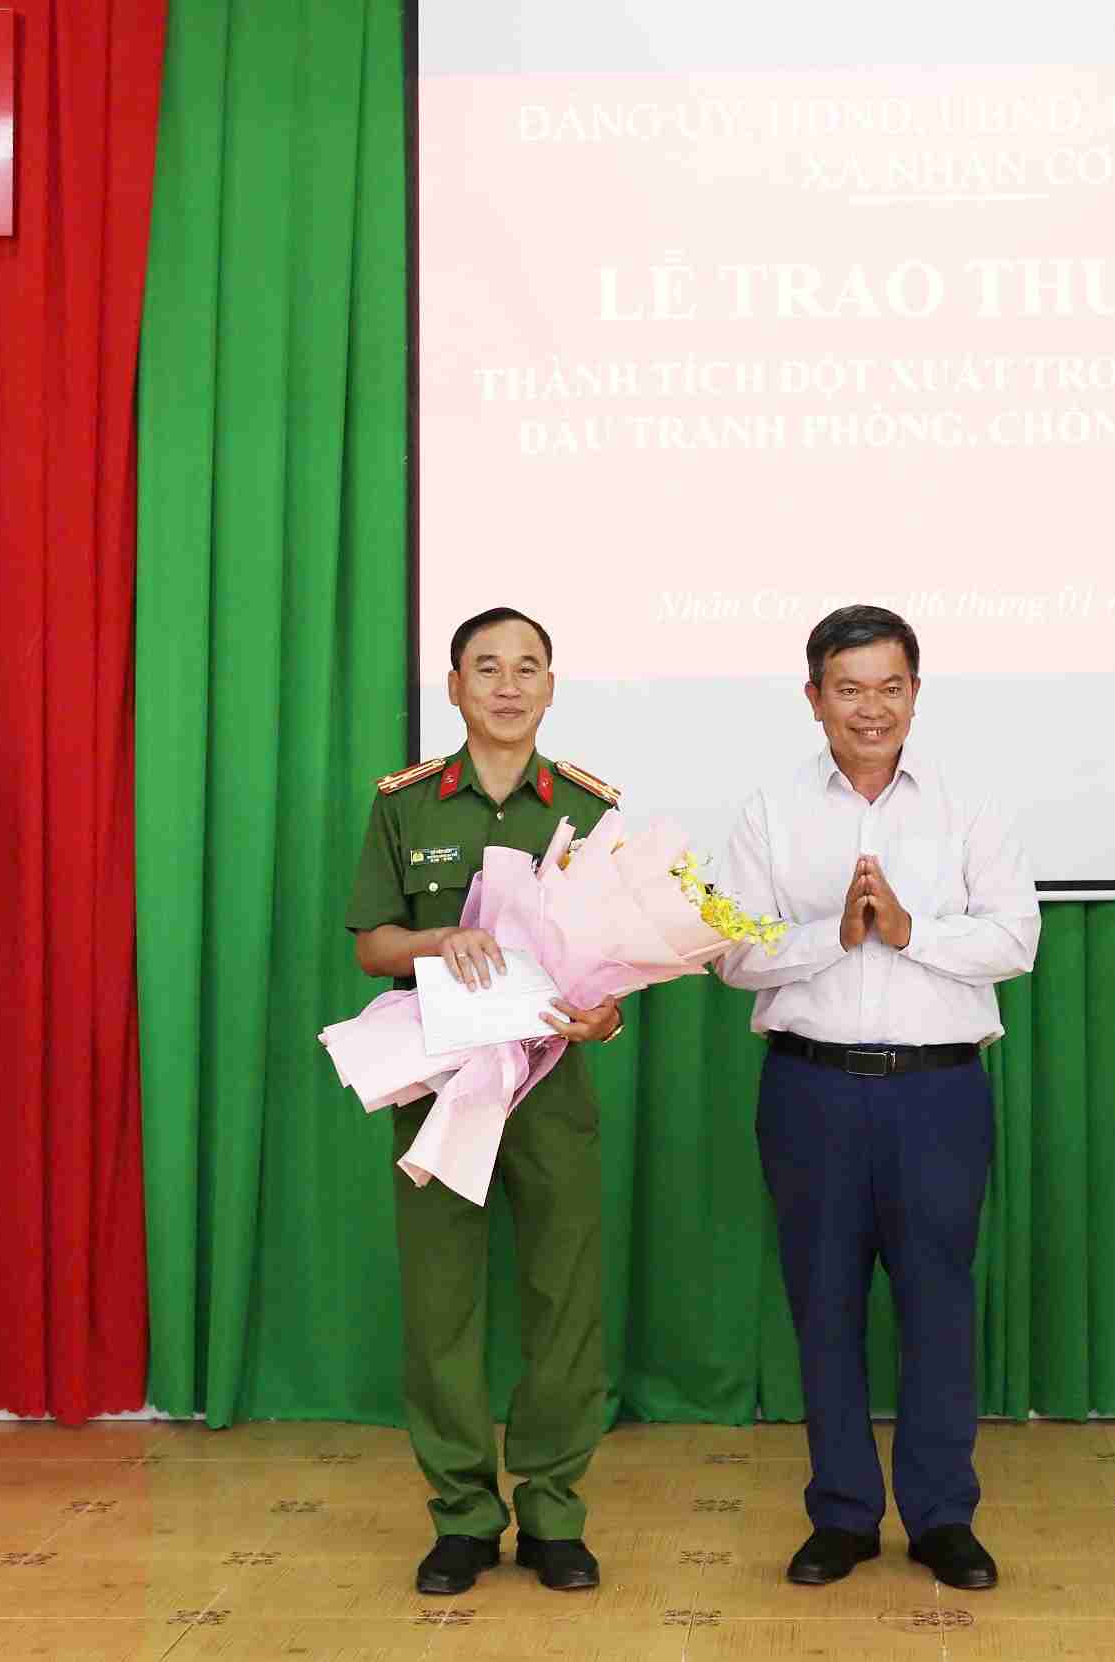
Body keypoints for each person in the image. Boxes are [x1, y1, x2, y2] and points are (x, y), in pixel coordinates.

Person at [715, 604, 1040, 1592]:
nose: (871, 708)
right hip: (810, 1089)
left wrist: (904, 930)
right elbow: (729, 948)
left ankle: (943, 1517)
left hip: (936, 1095)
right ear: (814, 698)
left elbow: (1015, 940)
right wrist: (833, 933)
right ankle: (844, 1515)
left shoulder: (970, 804)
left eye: (889, 687)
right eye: (848, 689)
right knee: (823, 1306)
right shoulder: (769, 810)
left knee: (940, 1305)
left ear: (914, 693)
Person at [345, 607, 627, 1597]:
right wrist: (434, 944)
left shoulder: (589, 811)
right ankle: (462, 1515)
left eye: (528, 667)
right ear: (455, 686)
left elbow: (613, 964)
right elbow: (372, 942)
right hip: (439, 1086)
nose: (507, 685)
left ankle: (554, 1512)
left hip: (550, 1089)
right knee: (442, 1305)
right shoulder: (408, 805)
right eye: (486, 667)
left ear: (551, 686)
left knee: (564, 1302)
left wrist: (603, 1016)